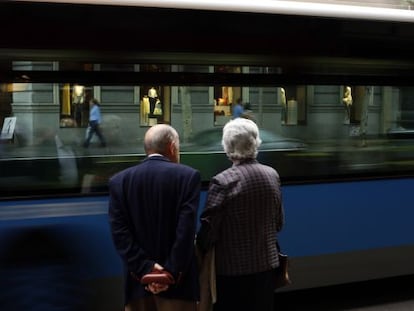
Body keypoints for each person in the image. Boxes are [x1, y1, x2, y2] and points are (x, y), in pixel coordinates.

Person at [108, 124, 201, 311]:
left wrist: (146, 269)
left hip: (137, 287)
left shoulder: (119, 182)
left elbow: (120, 234)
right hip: (179, 289)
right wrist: (169, 273)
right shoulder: (188, 177)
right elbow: (186, 232)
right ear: (173, 147)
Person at [197, 118, 284, 311]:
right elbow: (278, 223)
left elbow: (209, 232)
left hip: (232, 272)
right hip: (266, 267)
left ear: (227, 146)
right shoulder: (272, 175)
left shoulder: (223, 181)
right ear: (255, 142)